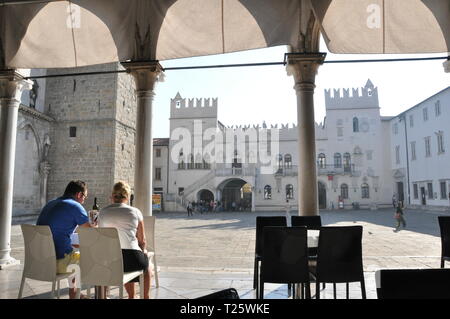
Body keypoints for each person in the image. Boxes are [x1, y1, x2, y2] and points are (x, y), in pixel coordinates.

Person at [37, 180, 93, 299]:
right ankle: (93, 294)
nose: (84, 200)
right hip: (58, 264)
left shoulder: (50, 204)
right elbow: (90, 233)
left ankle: (75, 293)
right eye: (85, 197)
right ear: (79, 194)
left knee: (73, 252)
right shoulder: (75, 206)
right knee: (92, 258)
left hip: (39, 261)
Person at [98, 181, 151, 299]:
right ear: (127, 197)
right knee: (147, 267)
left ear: (112, 196)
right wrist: (144, 251)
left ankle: (128, 295)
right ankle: (144, 296)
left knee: (121, 259)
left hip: (111, 261)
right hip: (132, 258)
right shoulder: (135, 212)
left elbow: (102, 236)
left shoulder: (103, 212)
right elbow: (142, 240)